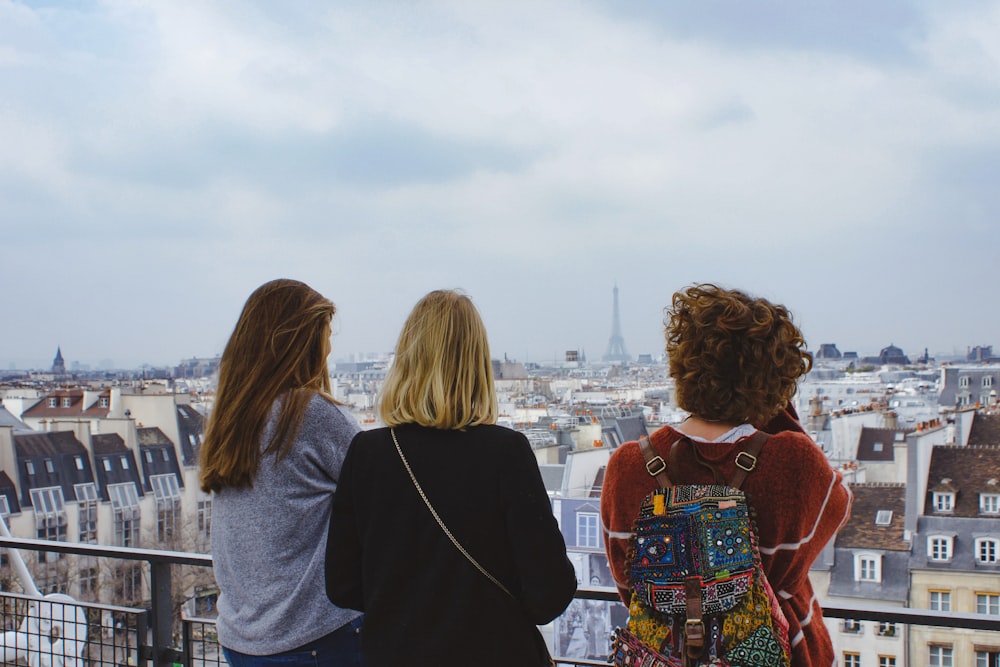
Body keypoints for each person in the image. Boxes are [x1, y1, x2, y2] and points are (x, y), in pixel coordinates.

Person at [601, 283, 852, 667]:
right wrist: (778, 415)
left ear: (682, 365)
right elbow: (838, 506)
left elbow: (628, 586)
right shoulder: (794, 462)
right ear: (777, 381)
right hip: (781, 652)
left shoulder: (627, 466)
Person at [325, 289, 577, 666]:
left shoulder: (368, 453)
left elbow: (342, 585)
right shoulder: (506, 453)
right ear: (477, 363)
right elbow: (548, 595)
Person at [200, 279, 363, 667]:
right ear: (300, 343)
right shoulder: (310, 415)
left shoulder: (232, 417)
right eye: (324, 336)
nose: (328, 349)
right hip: (313, 638)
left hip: (243, 639)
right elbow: (384, 492)